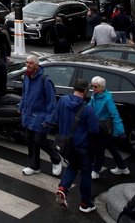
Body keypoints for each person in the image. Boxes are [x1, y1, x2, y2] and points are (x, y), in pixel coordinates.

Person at [47, 79, 99, 214]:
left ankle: (63, 188)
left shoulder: (63, 100)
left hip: (66, 145)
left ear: (73, 88)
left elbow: (56, 119)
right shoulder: (87, 108)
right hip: (82, 146)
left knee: (72, 166)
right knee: (86, 173)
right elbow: (94, 130)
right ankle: (85, 203)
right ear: (86, 91)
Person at [19, 55, 63, 177]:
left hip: (41, 117)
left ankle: (56, 159)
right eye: (27, 62)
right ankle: (34, 166)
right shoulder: (26, 77)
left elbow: (52, 102)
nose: (28, 65)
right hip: (28, 115)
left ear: (37, 65)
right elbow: (24, 94)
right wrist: (21, 107)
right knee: (31, 141)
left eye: (31, 63)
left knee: (39, 140)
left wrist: (49, 119)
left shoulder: (45, 80)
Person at [88, 76, 128, 178]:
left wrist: (120, 131)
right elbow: (89, 107)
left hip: (104, 129)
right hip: (99, 126)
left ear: (102, 87)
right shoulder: (95, 95)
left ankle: (96, 171)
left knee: (100, 149)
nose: (93, 88)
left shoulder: (107, 99)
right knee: (111, 147)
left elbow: (115, 115)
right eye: (92, 86)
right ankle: (123, 167)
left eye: (95, 86)